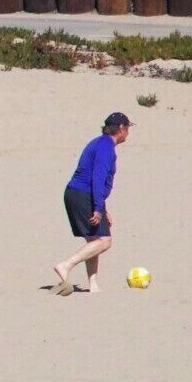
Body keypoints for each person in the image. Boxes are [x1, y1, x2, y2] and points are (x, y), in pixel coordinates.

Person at [54, 113, 130, 295]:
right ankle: (66, 265)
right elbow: (98, 178)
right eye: (128, 128)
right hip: (82, 195)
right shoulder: (106, 147)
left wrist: (102, 207)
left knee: (94, 240)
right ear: (121, 128)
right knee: (104, 241)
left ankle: (93, 284)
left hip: (76, 193)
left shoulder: (99, 143)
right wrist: (97, 208)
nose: (128, 132)